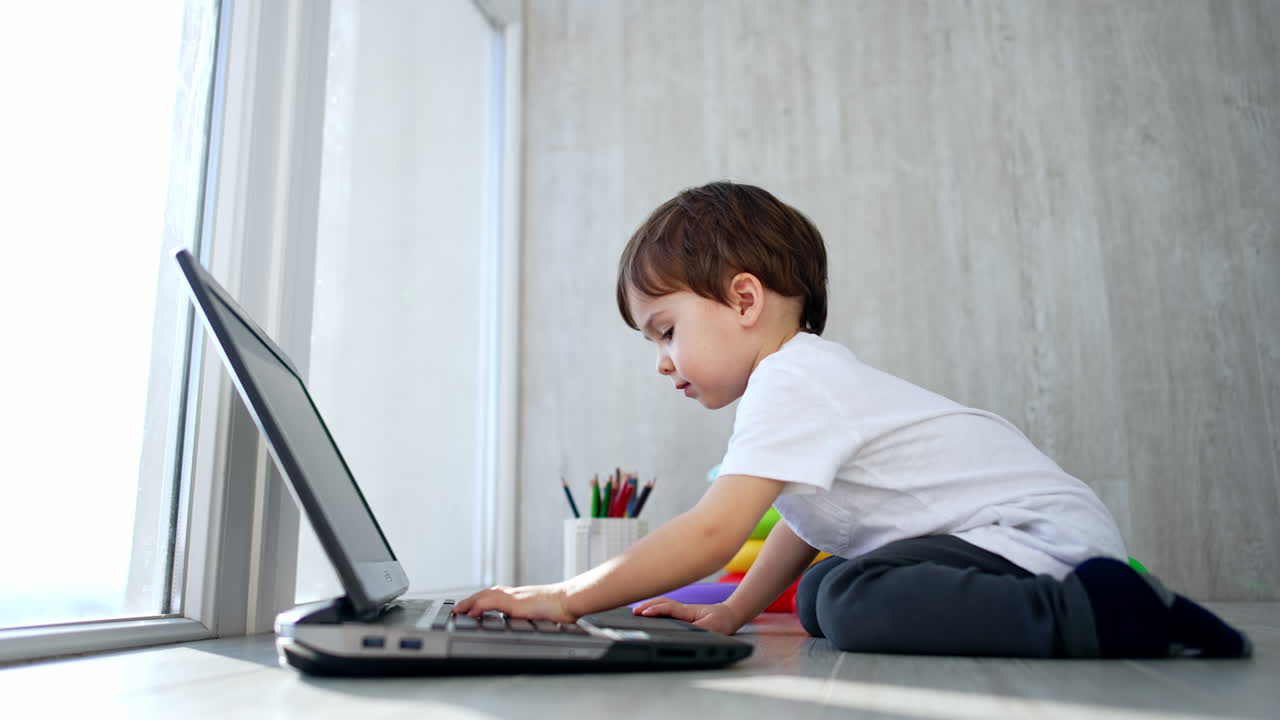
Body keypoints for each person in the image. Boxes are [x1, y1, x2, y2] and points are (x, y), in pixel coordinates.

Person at [454, 181, 1251, 658]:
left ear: (742, 299)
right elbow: (809, 519)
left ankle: (1099, 614)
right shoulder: (800, 383)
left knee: (846, 601)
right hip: (996, 537)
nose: (663, 360)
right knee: (824, 589)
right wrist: (733, 611)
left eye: (665, 331)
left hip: (1027, 535)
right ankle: (1090, 602)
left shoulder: (793, 381)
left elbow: (710, 533)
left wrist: (565, 597)